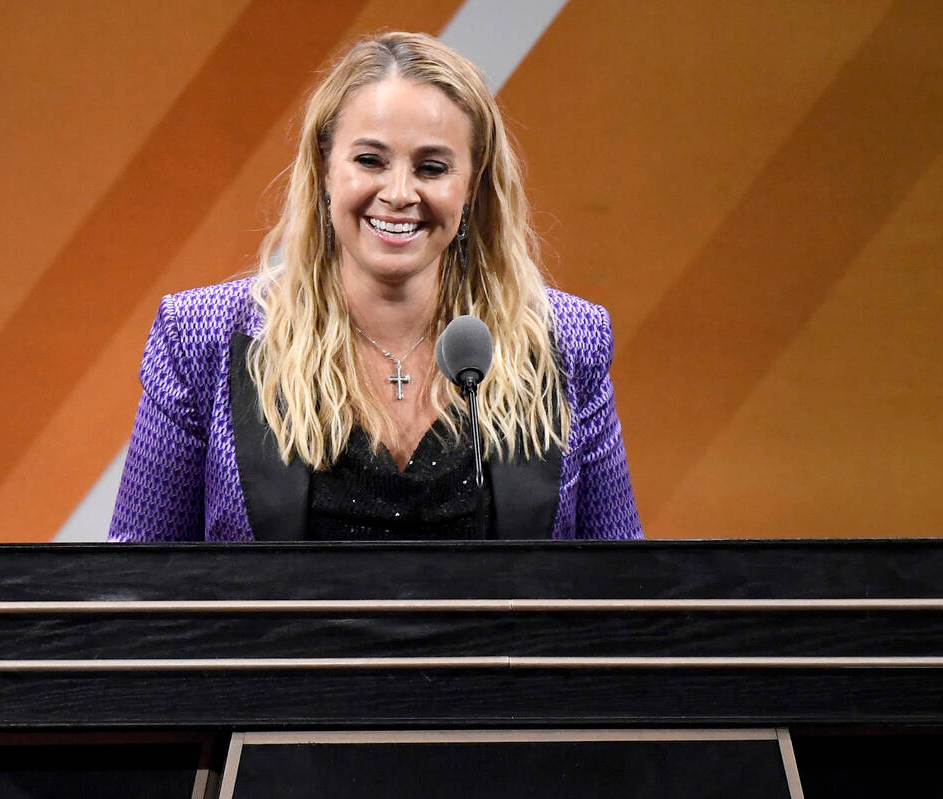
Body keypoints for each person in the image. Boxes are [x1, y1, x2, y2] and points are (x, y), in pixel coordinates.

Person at [109, 32, 642, 543]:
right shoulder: (199, 338)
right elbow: (130, 590)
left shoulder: (568, 342)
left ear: (472, 185)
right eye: (370, 161)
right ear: (323, 169)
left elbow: (627, 591)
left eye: (432, 168)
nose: (399, 193)